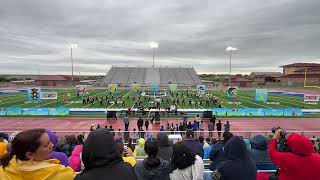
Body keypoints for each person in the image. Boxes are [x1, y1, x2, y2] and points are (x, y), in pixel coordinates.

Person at [0, 129, 75, 180]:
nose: (52, 145)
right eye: (46, 145)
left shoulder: (3, 170)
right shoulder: (63, 174)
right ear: (30, 155)